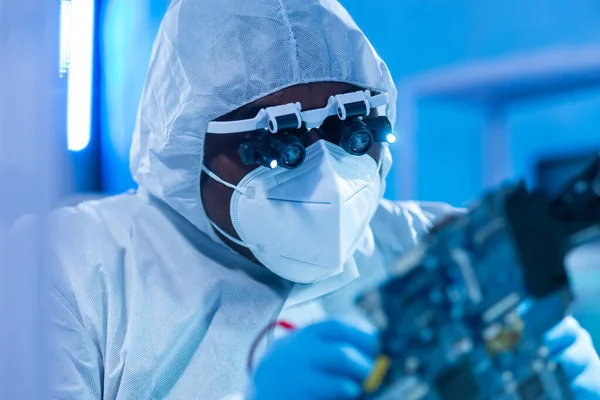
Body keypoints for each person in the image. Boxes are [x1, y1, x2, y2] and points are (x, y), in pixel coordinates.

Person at [49, 0, 600, 399]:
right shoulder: (74, 270)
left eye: (351, 132)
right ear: (187, 142)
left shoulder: (429, 246)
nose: (327, 177)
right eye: (276, 144)